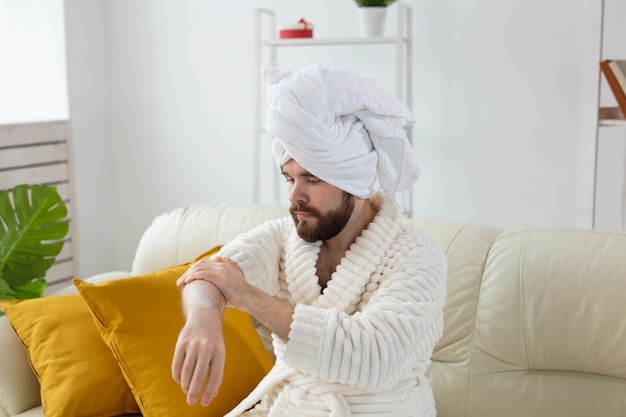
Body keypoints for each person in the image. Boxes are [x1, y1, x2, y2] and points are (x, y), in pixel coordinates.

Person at [171, 63, 447, 417]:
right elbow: (210, 275)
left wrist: (246, 296)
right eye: (289, 179)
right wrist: (203, 318)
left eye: (311, 180)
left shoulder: (418, 257)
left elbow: (370, 357)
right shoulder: (286, 236)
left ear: (355, 182)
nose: (294, 196)